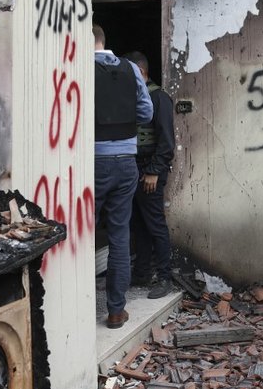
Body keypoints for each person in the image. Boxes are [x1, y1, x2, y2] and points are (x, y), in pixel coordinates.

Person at [94, 25, 153, 329]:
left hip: (92, 162)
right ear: (104, 40)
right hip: (126, 162)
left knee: (81, 233)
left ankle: (73, 305)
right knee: (119, 235)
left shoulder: (79, 68)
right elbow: (146, 113)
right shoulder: (131, 69)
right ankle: (116, 310)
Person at [123, 51, 175, 300]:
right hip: (133, 168)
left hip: (150, 168)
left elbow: (166, 142)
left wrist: (154, 171)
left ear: (142, 73)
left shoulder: (158, 97)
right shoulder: (133, 98)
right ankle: (141, 273)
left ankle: (165, 277)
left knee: (154, 224)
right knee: (137, 224)